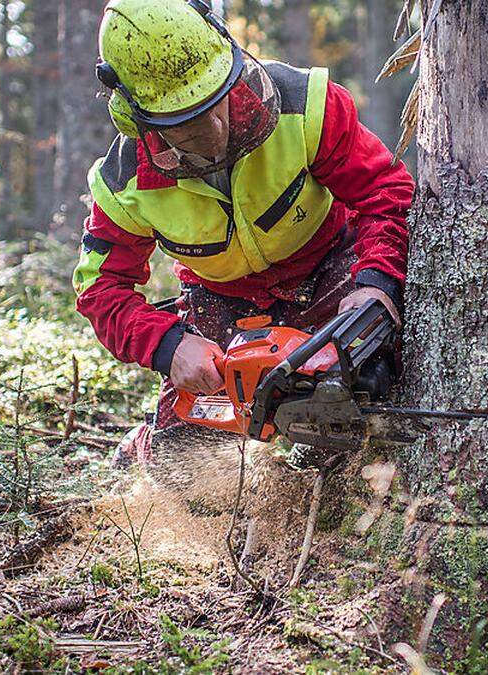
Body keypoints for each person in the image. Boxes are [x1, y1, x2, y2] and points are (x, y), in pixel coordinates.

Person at [72, 0, 412, 466]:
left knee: (370, 384)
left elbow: (383, 189)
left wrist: (377, 284)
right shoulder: (124, 183)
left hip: (330, 267)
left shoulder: (304, 105)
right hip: (221, 302)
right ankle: (143, 446)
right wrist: (168, 346)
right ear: (140, 120)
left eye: (216, 99)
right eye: (186, 119)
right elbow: (100, 288)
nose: (214, 126)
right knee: (180, 462)